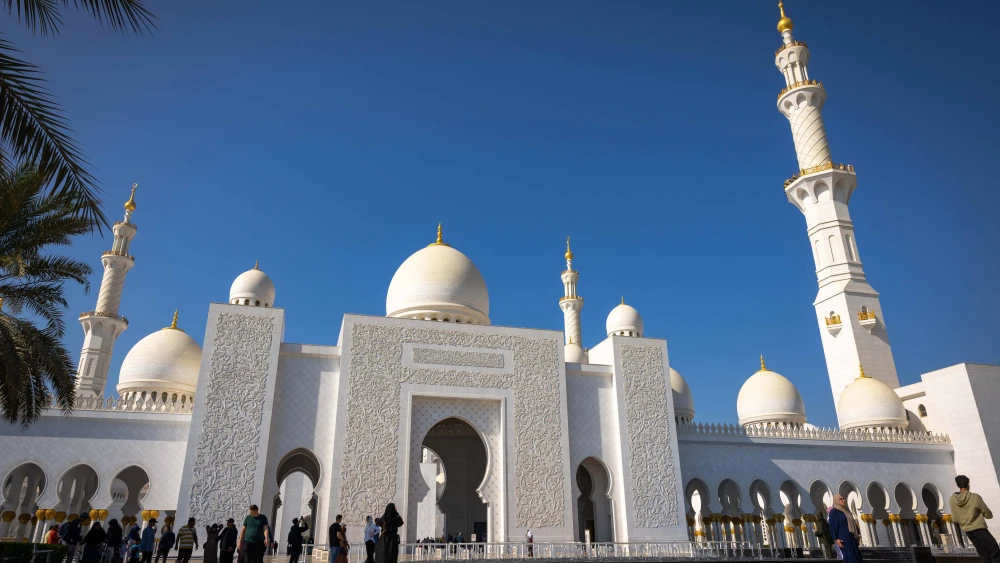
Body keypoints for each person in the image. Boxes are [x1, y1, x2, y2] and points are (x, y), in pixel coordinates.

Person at [950, 475, 1000, 563]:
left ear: (958, 485)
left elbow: (954, 518)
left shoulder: (952, 499)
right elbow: (987, 514)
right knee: (995, 551)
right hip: (980, 530)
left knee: (984, 554)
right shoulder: (974, 497)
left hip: (968, 531)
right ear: (968, 484)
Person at [828, 494, 862, 563]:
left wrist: (857, 535)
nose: (843, 500)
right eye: (841, 499)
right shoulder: (834, 512)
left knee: (856, 556)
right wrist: (836, 539)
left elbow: (853, 524)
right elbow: (832, 526)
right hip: (844, 539)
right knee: (849, 557)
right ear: (836, 500)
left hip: (852, 538)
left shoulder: (846, 511)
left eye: (843, 498)